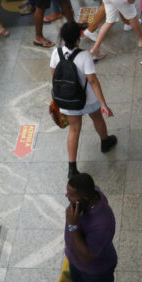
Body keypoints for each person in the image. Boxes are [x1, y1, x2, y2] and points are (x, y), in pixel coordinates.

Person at [51, 22, 116, 178]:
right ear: (79, 36)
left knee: (74, 130)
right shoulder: (84, 56)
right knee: (97, 118)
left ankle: (72, 168)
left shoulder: (56, 53)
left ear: (62, 37)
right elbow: (92, 81)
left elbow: (54, 75)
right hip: (88, 99)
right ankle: (105, 142)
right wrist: (103, 104)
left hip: (68, 100)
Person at [64, 173, 122, 282]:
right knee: (78, 280)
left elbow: (86, 257)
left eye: (71, 195)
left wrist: (72, 226)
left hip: (96, 272)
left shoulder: (103, 223)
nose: (66, 196)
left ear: (85, 199)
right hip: (76, 262)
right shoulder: (88, 197)